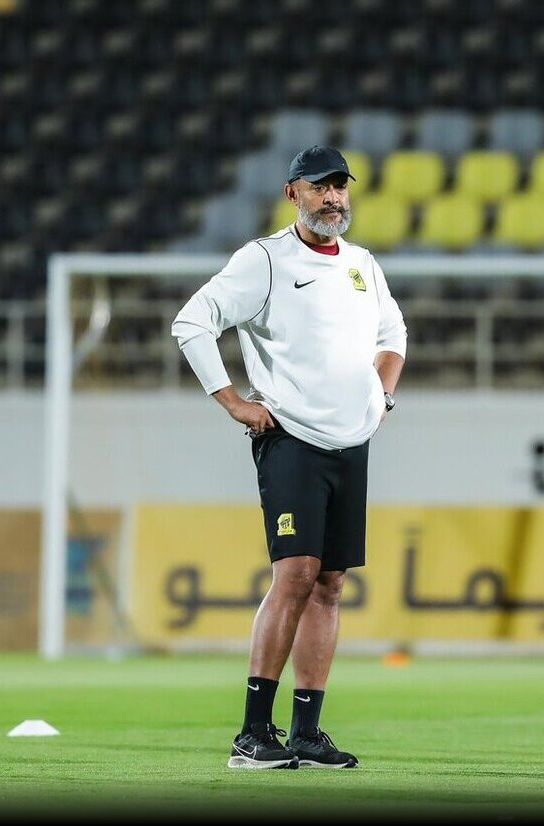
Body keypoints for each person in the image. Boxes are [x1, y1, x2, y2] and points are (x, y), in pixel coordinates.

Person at [172, 146, 406, 769]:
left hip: (350, 442)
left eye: (340, 188)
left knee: (330, 585)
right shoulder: (265, 260)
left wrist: (382, 396)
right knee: (298, 573)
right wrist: (232, 402)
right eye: (320, 188)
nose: (334, 198)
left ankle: (305, 731)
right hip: (291, 438)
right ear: (292, 193)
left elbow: (394, 335)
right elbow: (192, 323)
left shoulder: (362, 266)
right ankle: (253, 733)